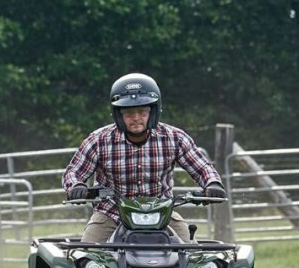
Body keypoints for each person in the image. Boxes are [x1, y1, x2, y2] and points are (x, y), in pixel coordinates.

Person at [63, 72, 226, 243]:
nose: (136, 118)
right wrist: (76, 186)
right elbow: (74, 171)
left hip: (162, 214)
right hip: (111, 214)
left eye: (142, 111)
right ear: (118, 114)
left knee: (188, 253)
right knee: (87, 255)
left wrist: (212, 183)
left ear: (153, 111)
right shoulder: (98, 140)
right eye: (129, 113)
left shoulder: (174, 138)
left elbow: (201, 167)